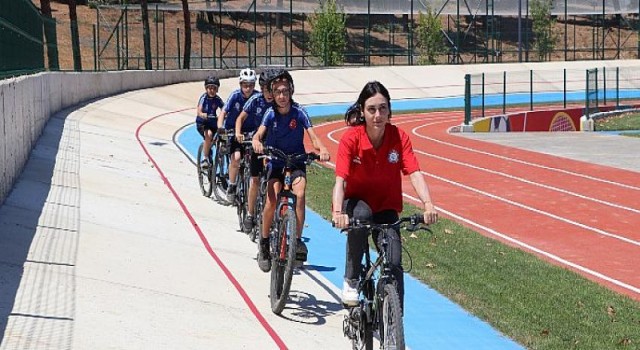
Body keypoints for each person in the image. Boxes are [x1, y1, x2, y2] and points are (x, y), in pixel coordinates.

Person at [331, 81, 438, 308]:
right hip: (358, 203)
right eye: (371, 109)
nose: (377, 115)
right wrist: (338, 212)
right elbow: (340, 180)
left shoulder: (399, 137)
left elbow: (415, 173)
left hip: (386, 206)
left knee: (394, 261)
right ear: (362, 111)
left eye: (383, 109)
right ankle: (351, 279)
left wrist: (428, 204)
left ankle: (394, 317)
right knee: (361, 215)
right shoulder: (352, 139)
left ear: (389, 110)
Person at [252, 69, 331, 272]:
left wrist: (321, 149)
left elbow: (313, 137)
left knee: (301, 193)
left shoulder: (299, 112)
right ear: (273, 94)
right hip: (276, 162)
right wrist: (256, 142)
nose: (282, 96)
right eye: (277, 92)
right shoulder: (270, 114)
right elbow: (259, 134)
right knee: (271, 199)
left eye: (285, 91)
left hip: (296, 161)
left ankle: (296, 241)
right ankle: (264, 242)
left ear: (291, 92)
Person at [234, 69, 277, 232]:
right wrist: (238, 132)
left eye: (272, 89)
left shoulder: (279, 103)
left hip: (272, 144)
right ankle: (250, 214)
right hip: (255, 142)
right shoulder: (255, 100)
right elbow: (240, 118)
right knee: (255, 180)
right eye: (266, 89)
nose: (270, 93)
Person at [218, 68, 259, 202]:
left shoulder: (257, 97)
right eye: (245, 85)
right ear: (240, 84)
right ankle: (232, 184)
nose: (248, 88)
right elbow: (223, 112)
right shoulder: (235, 96)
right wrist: (220, 127)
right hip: (234, 131)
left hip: (251, 133)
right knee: (236, 157)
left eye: (251, 85)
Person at [195, 76, 224, 168]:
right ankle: (205, 157)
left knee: (223, 135)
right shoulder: (204, 98)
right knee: (209, 135)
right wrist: (202, 114)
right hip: (203, 123)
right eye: (209, 88)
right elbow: (199, 111)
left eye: (214, 88)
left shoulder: (217, 99)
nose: (211, 90)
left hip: (213, 122)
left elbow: (224, 109)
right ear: (206, 88)